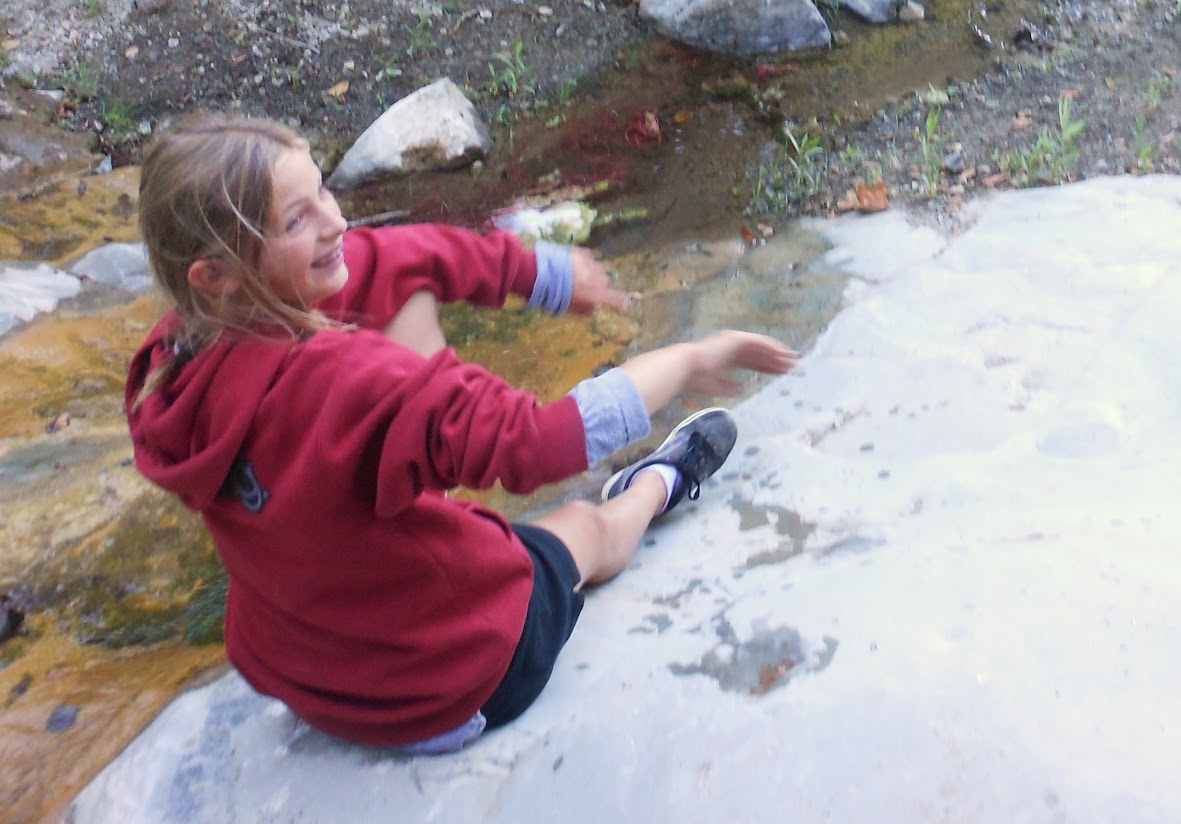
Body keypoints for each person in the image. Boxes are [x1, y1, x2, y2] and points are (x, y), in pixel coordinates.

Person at [125, 112, 795, 754]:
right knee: (581, 528)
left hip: (302, 679)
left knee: (391, 283)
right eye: (298, 219)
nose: (337, 219)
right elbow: (544, 444)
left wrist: (537, 275)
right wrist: (684, 360)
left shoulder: (171, 364)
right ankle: (656, 483)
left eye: (324, 189)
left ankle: (432, 460)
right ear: (215, 275)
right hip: (449, 686)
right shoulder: (350, 381)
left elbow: (387, 255)